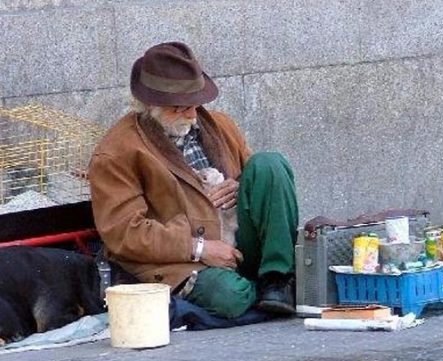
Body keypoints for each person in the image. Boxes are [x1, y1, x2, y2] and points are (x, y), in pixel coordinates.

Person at [88, 42, 299, 320]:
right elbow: (125, 233)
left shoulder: (219, 124)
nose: (192, 115)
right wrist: (200, 249)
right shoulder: (116, 153)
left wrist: (238, 186)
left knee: (270, 164)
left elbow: (259, 183)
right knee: (231, 297)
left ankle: (277, 278)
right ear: (150, 105)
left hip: (235, 239)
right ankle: (252, 290)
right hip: (182, 259)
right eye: (180, 107)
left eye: (195, 105)